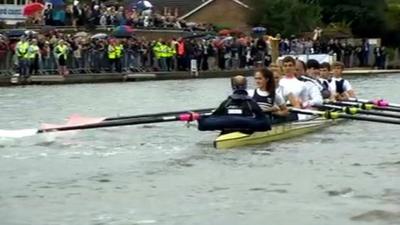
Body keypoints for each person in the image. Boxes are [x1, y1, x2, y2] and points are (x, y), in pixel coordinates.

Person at [198, 75, 271, 133]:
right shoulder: (251, 102)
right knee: (265, 122)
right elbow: (264, 120)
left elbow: (215, 115)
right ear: (245, 86)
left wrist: (201, 118)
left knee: (205, 121)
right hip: (246, 124)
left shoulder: (226, 102)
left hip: (227, 123)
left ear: (232, 86)